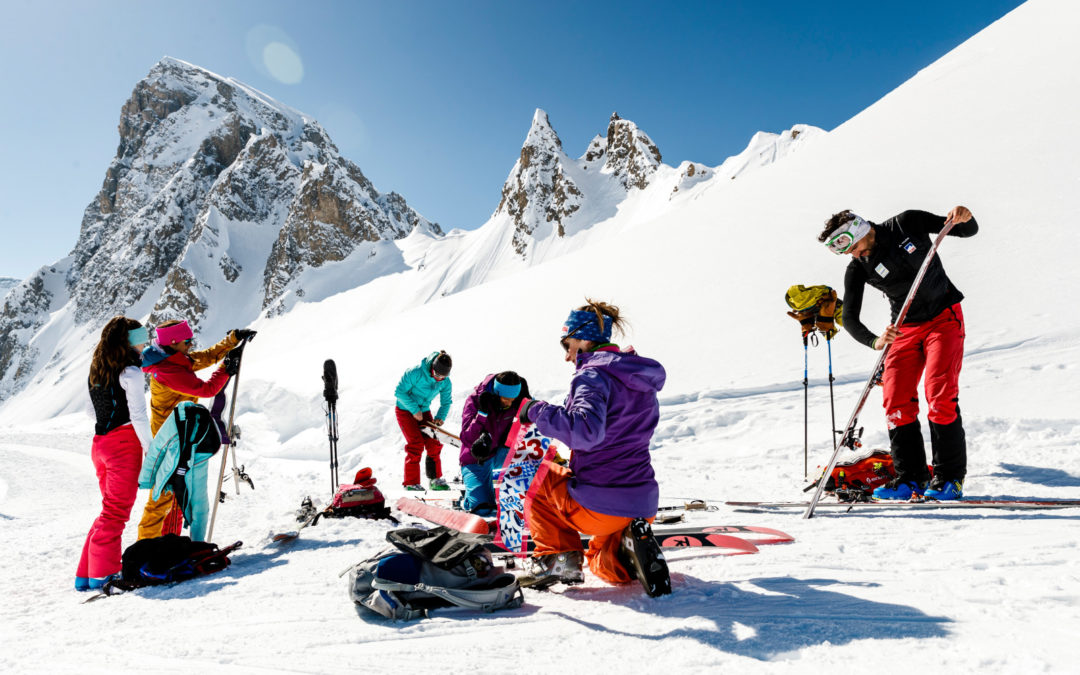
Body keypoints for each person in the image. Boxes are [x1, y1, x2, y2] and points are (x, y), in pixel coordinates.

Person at [819, 207, 979, 500]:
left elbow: (966, 230)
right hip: (903, 329)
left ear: (860, 231)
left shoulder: (907, 224)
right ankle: (912, 478)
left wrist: (964, 217)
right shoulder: (858, 268)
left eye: (851, 247)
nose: (851, 255)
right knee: (895, 401)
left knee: (940, 397)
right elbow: (850, 318)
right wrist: (875, 341)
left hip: (943, 318)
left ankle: (948, 478)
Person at [515, 300, 671, 597]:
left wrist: (537, 410)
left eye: (567, 345)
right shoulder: (638, 378)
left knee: (532, 472)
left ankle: (556, 559)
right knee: (600, 562)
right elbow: (612, 433)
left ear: (585, 340)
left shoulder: (592, 374)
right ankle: (626, 556)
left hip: (600, 505)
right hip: (642, 504)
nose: (567, 356)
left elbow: (585, 431)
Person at [135, 320, 254, 538]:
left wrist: (232, 339)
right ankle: (145, 547)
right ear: (172, 342)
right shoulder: (166, 370)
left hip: (184, 435)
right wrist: (226, 369)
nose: (191, 344)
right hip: (170, 440)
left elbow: (205, 357)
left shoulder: (173, 358)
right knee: (162, 495)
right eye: (187, 341)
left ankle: (169, 543)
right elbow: (206, 389)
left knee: (182, 492)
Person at [76, 317, 151, 590]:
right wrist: (150, 450)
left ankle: (85, 574)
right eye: (141, 338)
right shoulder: (131, 371)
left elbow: (89, 411)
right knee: (116, 513)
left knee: (108, 510)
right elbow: (139, 416)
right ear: (129, 342)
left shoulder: (97, 369)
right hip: (123, 445)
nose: (145, 343)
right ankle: (103, 576)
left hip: (100, 444)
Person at [458, 371, 530, 515]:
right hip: (477, 457)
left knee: (528, 457)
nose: (509, 403)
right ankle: (467, 499)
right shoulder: (475, 400)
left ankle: (527, 498)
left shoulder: (518, 400)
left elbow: (535, 429)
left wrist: (529, 406)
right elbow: (466, 438)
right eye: (505, 399)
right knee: (483, 509)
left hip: (502, 452)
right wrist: (482, 415)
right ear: (496, 393)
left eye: (512, 399)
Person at [394, 350, 453, 491]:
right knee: (416, 444)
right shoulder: (415, 373)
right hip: (405, 410)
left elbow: (446, 402)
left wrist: (440, 418)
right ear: (432, 367)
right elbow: (399, 392)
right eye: (437, 375)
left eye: (443, 377)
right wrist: (414, 410)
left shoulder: (445, 382)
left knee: (433, 442)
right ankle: (411, 483)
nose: (439, 379)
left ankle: (435, 479)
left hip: (424, 411)